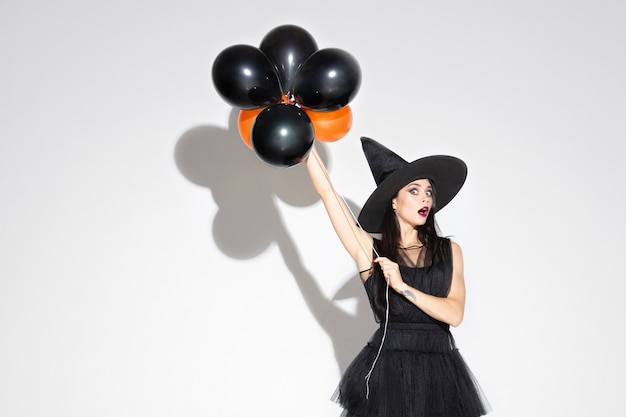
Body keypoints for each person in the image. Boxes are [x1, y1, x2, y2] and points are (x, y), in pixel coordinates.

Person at [305, 137, 490, 417]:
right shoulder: (372, 253)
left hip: (440, 375)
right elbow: (328, 193)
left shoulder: (450, 251)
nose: (425, 198)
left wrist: (403, 287)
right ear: (393, 201)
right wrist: (304, 140)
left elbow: (454, 314)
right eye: (414, 191)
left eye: (429, 192)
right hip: (388, 372)